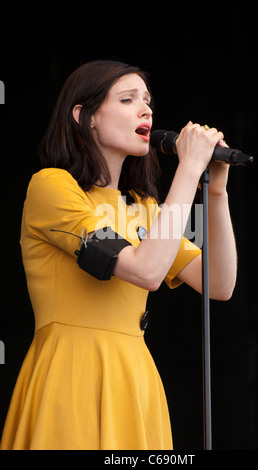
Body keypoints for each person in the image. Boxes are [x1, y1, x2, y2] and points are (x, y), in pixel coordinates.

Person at [0, 60, 237, 450]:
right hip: (71, 373)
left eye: (148, 102)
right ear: (84, 116)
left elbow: (220, 283)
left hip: (134, 376)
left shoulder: (143, 208)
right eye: (128, 100)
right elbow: (144, 271)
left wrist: (215, 193)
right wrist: (189, 170)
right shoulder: (52, 188)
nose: (146, 110)